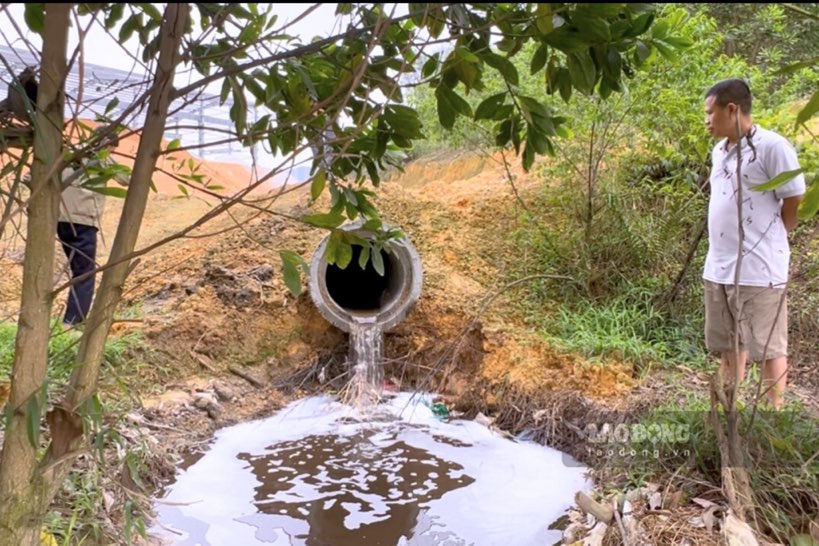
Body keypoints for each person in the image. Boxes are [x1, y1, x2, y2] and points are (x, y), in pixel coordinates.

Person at [702, 78, 805, 409]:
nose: (706, 120)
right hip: (719, 267)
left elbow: (793, 199)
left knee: (769, 349)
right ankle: (729, 412)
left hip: (759, 269)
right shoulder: (719, 151)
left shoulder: (773, 147)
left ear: (732, 110)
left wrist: (776, 235)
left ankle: (773, 421)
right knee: (730, 345)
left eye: (710, 113)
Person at [57, 130, 128, 326]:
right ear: (107, 144)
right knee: (85, 274)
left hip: (60, 220)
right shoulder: (102, 159)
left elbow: (30, 177)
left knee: (77, 268)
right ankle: (72, 323)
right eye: (112, 148)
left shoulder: (67, 154)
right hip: (84, 223)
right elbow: (127, 179)